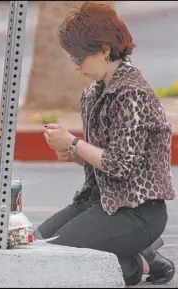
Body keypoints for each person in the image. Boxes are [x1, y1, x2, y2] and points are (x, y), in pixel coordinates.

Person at [35, 2, 176, 286]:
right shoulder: (92, 94)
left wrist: (74, 143)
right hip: (99, 202)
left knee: (56, 260)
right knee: (33, 248)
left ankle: (140, 262)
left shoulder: (132, 93)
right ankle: (129, 251)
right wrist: (73, 153)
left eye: (80, 58)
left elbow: (121, 165)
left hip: (137, 211)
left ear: (105, 50)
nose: (77, 67)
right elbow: (103, 159)